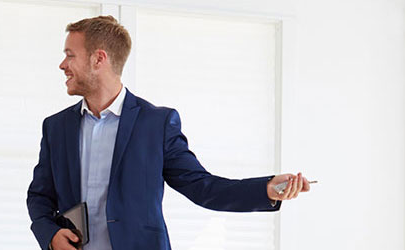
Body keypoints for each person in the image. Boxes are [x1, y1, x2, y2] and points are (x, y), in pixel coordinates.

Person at [25, 16, 312, 250]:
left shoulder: (156, 124)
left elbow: (203, 187)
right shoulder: (56, 127)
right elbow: (39, 197)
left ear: (99, 59)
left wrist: (266, 189)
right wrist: (50, 235)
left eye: (70, 56)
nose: (63, 65)